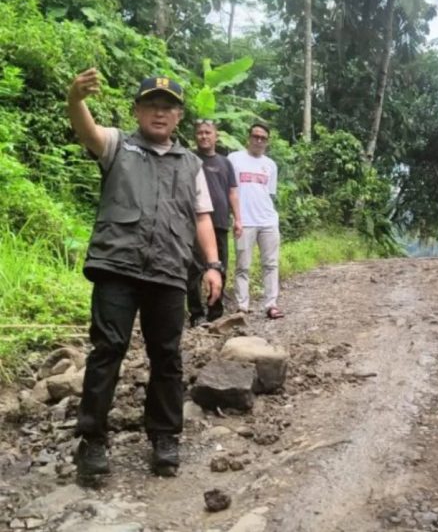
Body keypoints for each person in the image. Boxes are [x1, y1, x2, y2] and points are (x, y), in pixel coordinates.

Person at [67, 70, 223, 477]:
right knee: (108, 350)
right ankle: (92, 440)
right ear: (137, 110)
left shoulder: (191, 164)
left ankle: (165, 436)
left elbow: (202, 217)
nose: (159, 112)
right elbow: (87, 132)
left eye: (168, 107)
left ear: (178, 117)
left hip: (169, 269)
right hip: (116, 266)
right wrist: (75, 99)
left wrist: (212, 265)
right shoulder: (118, 145)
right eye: (152, 104)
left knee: (167, 356)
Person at [186, 120, 243, 326]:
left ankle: (215, 312)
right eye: (200, 133)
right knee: (194, 269)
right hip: (195, 224)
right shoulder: (189, 159)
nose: (203, 136)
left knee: (220, 268)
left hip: (219, 223)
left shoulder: (225, 163)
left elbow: (232, 192)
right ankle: (196, 313)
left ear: (215, 136)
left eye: (207, 132)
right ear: (195, 136)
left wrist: (238, 219)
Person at [228, 123, 284, 319]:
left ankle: (271, 304)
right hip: (244, 221)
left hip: (268, 220)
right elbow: (231, 190)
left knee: (271, 264)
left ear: (267, 142)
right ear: (249, 137)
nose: (259, 140)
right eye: (255, 136)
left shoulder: (270, 165)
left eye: (263, 138)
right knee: (242, 266)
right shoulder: (234, 159)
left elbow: (269, 193)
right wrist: (236, 217)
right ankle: (242, 306)